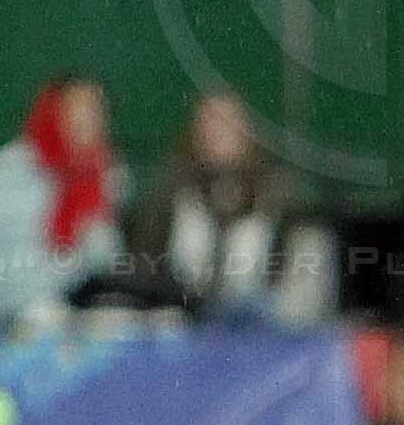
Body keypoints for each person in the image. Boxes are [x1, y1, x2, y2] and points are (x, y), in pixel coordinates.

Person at [123, 90, 334, 329]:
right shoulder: (171, 192)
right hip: (185, 320)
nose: (217, 132)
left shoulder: (279, 194)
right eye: (209, 122)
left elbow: (301, 272)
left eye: (227, 123)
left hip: (262, 324)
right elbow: (145, 262)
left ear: (247, 131)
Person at [0, 76, 128, 332]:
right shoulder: (6, 172)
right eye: (79, 109)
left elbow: (103, 260)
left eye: (97, 111)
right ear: (54, 113)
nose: (90, 120)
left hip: (70, 315)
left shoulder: (105, 177)